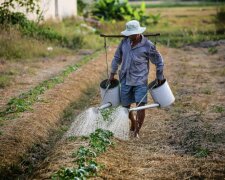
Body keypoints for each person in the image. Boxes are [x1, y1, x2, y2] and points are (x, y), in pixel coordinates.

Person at [109, 20, 165, 138]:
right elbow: (116, 58)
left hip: (140, 80)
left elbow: (159, 61)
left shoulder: (148, 45)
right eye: (128, 34)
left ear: (138, 33)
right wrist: (112, 73)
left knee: (140, 106)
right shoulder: (124, 43)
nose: (130, 36)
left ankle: (137, 132)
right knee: (125, 106)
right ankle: (133, 122)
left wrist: (159, 76)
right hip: (125, 79)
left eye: (132, 34)